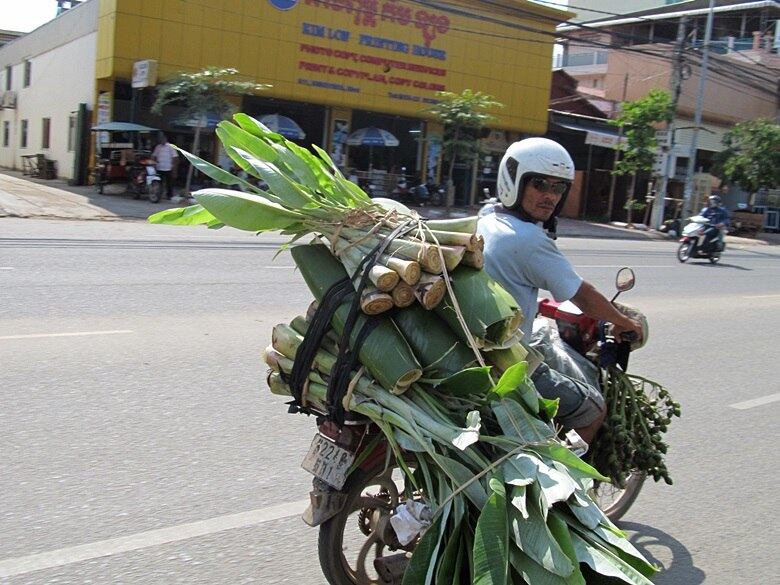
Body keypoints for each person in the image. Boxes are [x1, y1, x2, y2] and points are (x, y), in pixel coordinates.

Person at [478, 137, 643, 445]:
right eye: (540, 184)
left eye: (558, 188)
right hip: (505, 364)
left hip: (478, 346)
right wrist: (625, 322)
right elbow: (582, 295)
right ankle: (559, 487)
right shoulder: (527, 239)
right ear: (514, 180)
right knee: (593, 411)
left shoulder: (489, 219)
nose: (550, 196)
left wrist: (536, 303)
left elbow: (503, 280)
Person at [152, 134, 178, 199]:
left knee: (169, 183)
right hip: (159, 167)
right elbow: (154, 155)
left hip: (168, 168)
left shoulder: (171, 147)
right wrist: (153, 163)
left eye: (162, 139)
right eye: (160, 139)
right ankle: (159, 195)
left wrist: (174, 168)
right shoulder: (158, 147)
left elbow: (175, 157)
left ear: (165, 139)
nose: (161, 140)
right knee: (159, 182)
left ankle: (169, 195)